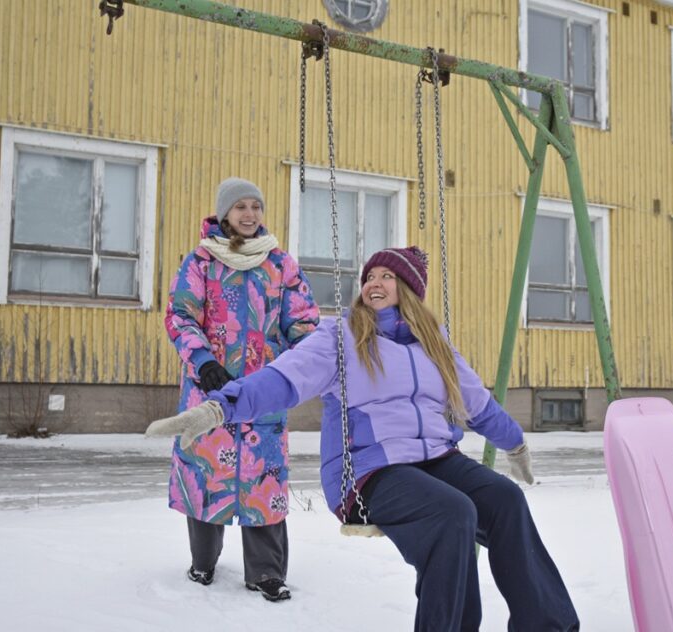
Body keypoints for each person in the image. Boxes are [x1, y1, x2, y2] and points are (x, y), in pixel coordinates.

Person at [151, 245, 579, 630]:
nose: (374, 283)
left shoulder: (435, 343)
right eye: (370, 276)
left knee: (506, 500)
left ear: (408, 287)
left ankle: (548, 626)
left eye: (386, 276)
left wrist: (515, 442)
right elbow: (284, 378)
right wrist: (220, 407)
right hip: (369, 470)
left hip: (434, 456)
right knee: (453, 513)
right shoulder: (342, 336)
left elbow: (476, 403)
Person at [163, 176, 319, 601]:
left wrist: (302, 361)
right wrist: (203, 361)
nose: (250, 214)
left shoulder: (279, 263)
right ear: (224, 213)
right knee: (206, 475)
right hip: (209, 391)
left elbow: (303, 321)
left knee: (263, 481)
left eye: (256, 206)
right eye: (241, 207)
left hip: (262, 393)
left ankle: (266, 573)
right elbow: (180, 316)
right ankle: (203, 563)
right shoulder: (202, 262)